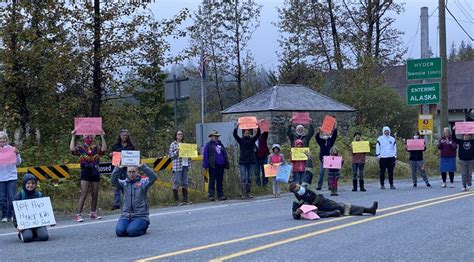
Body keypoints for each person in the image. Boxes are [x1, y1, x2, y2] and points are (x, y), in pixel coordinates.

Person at [70, 130, 106, 222]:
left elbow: (104, 150)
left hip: (95, 170)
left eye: (91, 135)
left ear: (94, 136)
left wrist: (102, 136)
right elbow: (72, 150)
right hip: (85, 170)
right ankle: (78, 214)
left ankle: (93, 212)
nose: (89, 137)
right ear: (83, 136)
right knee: (84, 192)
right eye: (86, 135)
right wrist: (73, 136)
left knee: (95, 192)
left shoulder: (97, 147)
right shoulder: (80, 147)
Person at [111, 164, 157, 237]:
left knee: (131, 232)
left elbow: (153, 177)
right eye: (129, 172)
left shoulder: (143, 183)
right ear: (126, 172)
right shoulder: (123, 184)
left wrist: (143, 167)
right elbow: (113, 180)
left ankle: (143, 226)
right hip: (126, 215)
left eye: (133, 172)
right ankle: (132, 226)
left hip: (140, 216)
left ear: (137, 171)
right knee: (120, 232)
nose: (131, 174)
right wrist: (118, 168)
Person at [289, 183, 378, 219]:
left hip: (322, 202)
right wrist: (297, 213)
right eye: (297, 189)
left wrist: (309, 158)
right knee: (316, 213)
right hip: (316, 210)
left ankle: (368, 210)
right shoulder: (296, 201)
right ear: (294, 192)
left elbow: (309, 171)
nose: (300, 189)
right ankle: (333, 213)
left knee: (342, 206)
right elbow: (294, 214)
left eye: (299, 186)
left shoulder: (306, 186)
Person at [13, 174, 49, 242]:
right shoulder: (19, 195)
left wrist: (50, 220)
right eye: (28, 183)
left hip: (38, 223)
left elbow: (46, 210)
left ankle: (36, 233)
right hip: (25, 224)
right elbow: (15, 212)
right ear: (24, 184)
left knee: (44, 237)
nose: (30, 185)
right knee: (27, 238)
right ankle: (23, 234)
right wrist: (17, 225)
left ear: (35, 184)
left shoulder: (39, 195)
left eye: (33, 183)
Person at [233, 124, 261, 199]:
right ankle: (243, 193)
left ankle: (248, 192)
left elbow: (258, 135)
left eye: (248, 133)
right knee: (243, 178)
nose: (247, 134)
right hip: (243, 161)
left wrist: (258, 127)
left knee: (249, 178)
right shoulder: (241, 140)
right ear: (243, 134)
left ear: (249, 134)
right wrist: (236, 127)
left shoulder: (252, 140)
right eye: (245, 133)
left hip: (251, 161)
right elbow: (235, 135)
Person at [110, 129, 135, 210]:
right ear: (120, 136)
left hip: (127, 169)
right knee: (117, 185)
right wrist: (111, 155)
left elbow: (134, 156)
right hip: (118, 168)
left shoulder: (131, 146)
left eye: (126, 135)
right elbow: (112, 155)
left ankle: (127, 203)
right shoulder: (115, 146)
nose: (125, 137)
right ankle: (116, 204)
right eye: (123, 135)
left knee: (127, 185)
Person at [0, 131, 21, 223]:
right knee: (2, 198)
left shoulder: (12, 149)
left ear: (6, 139)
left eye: (4, 138)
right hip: (1, 177)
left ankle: (11, 214)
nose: (2, 140)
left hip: (12, 176)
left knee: (12, 197)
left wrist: (17, 154)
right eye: (0, 139)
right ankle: (4, 215)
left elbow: (18, 162)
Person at [203, 130, 230, 201]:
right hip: (213, 166)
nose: (216, 137)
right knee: (212, 181)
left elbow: (224, 154)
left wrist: (226, 163)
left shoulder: (221, 144)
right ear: (211, 137)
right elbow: (205, 155)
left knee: (220, 181)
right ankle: (211, 195)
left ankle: (220, 194)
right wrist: (205, 165)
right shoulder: (208, 145)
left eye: (217, 136)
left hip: (220, 165)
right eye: (214, 136)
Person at [168, 130, 192, 205]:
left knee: (185, 182)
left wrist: (192, 153)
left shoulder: (185, 144)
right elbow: (170, 156)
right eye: (178, 134)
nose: (180, 135)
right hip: (177, 166)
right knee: (177, 182)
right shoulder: (173, 144)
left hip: (185, 165)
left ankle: (185, 200)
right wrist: (176, 152)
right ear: (176, 135)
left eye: (181, 134)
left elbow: (189, 156)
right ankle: (176, 201)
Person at [315, 122, 338, 190]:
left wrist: (335, 127)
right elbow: (317, 138)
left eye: (328, 132)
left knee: (329, 173)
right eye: (326, 132)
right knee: (321, 173)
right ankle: (319, 186)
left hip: (330, 159)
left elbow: (335, 135)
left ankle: (330, 186)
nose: (327, 133)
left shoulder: (331, 140)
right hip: (323, 159)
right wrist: (318, 132)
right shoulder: (321, 141)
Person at [452, 126, 473, 191]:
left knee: (469, 174)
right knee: (463, 174)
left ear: (470, 136)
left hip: (471, 160)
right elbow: (454, 139)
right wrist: (453, 130)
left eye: (468, 135)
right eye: (465, 135)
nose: (466, 136)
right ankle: (464, 186)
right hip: (463, 160)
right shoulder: (460, 142)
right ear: (463, 136)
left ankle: (469, 185)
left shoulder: (472, 142)